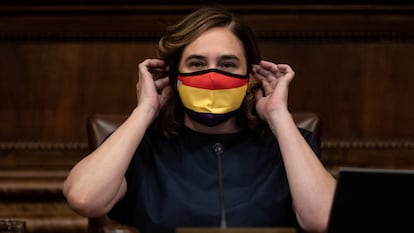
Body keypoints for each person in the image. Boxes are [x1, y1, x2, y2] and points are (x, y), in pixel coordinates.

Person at [63, 6, 336, 233]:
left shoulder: (289, 145)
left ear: (250, 76)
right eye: (197, 64)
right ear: (174, 75)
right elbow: (84, 199)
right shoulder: (141, 147)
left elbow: (324, 220)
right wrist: (145, 110)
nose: (213, 77)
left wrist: (279, 116)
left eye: (228, 64)